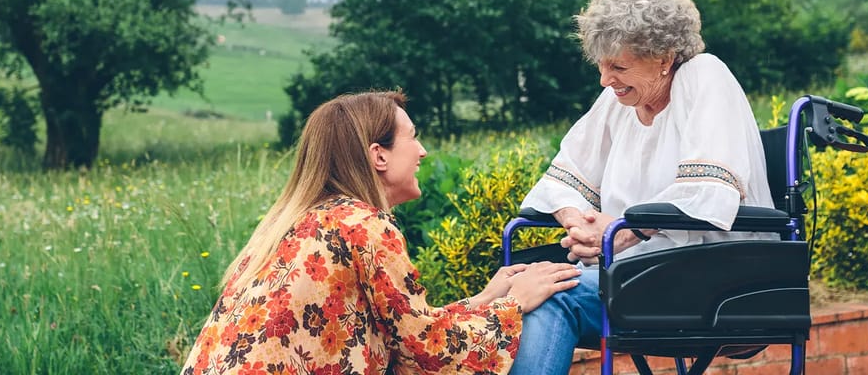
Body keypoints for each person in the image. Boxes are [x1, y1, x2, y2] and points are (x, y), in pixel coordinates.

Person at [182, 91, 583, 375]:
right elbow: (428, 351)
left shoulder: (300, 222)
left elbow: (404, 332)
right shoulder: (364, 226)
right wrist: (515, 304)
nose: (423, 151)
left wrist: (485, 297)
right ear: (378, 155)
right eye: (413, 136)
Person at [507, 0, 776, 374]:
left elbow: (708, 192)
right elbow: (566, 177)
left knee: (549, 294)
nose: (605, 79)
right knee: (531, 283)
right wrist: (578, 223)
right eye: (601, 65)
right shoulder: (619, 100)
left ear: (665, 57)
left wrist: (621, 230)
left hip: (715, 278)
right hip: (634, 274)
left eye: (618, 66)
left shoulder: (705, 76)